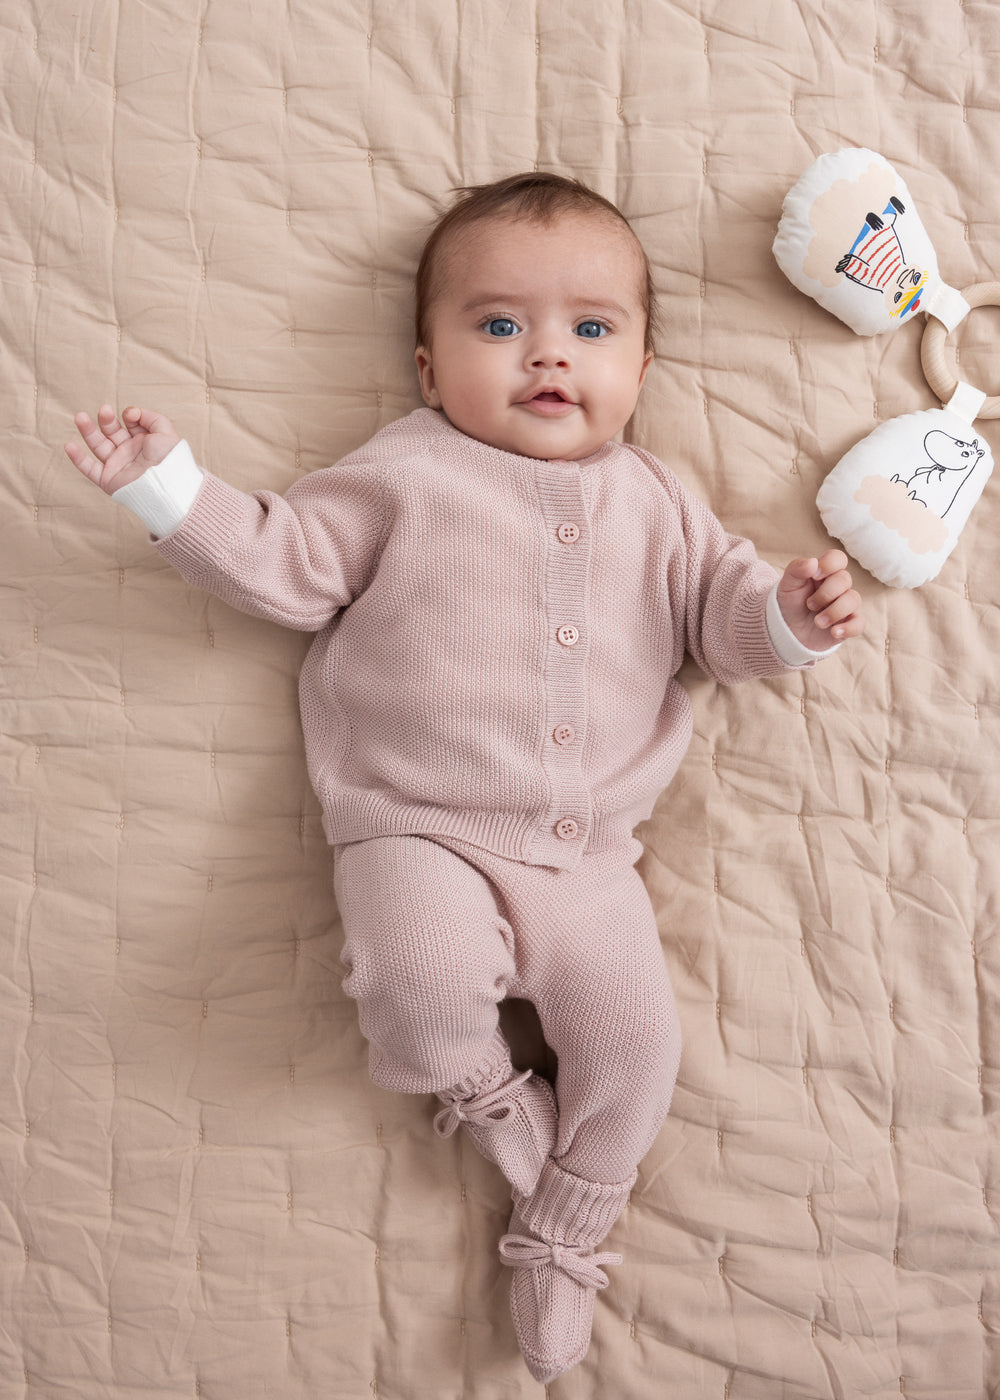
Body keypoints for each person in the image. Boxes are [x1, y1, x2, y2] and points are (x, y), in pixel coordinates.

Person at [65, 172, 864, 1384]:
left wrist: (791, 619)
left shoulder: (659, 502)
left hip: (590, 860)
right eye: (498, 324)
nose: (548, 354)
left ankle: (566, 1227)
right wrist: (168, 487)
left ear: (641, 368)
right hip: (418, 826)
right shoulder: (405, 470)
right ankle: (499, 1108)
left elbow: (723, 625)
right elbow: (286, 560)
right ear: (429, 369)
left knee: (638, 1050)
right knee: (417, 986)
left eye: (591, 328)